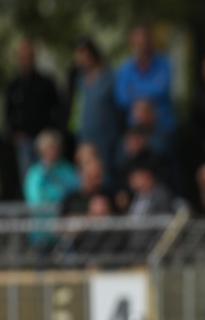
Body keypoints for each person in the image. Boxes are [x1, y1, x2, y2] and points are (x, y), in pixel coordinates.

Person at [5, 39, 61, 192]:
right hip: (24, 140)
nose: (25, 60)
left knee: (50, 174)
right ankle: (32, 208)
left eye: (28, 56)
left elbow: (56, 108)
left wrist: (51, 131)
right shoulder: (14, 85)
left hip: (44, 139)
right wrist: (14, 133)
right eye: (22, 57)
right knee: (29, 177)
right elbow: (9, 112)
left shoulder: (45, 82)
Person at [24, 129, 80, 251]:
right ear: (41, 150)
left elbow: (77, 192)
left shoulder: (67, 169)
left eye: (55, 147)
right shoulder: (35, 174)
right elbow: (35, 201)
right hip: (42, 232)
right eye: (49, 148)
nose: (52, 151)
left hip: (66, 231)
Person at [115, 24, 175, 136]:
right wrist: (146, 96)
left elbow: (161, 90)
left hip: (161, 126)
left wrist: (135, 92)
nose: (141, 47)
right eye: (137, 43)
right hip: (135, 129)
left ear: (150, 43)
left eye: (144, 43)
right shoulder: (126, 68)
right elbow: (122, 97)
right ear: (132, 44)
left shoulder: (164, 64)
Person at [71, 38, 120, 177]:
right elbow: (77, 112)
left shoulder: (110, 77)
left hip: (106, 137)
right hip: (85, 137)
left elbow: (118, 108)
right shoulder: (80, 80)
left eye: (85, 55)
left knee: (106, 173)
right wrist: (77, 138)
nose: (82, 60)